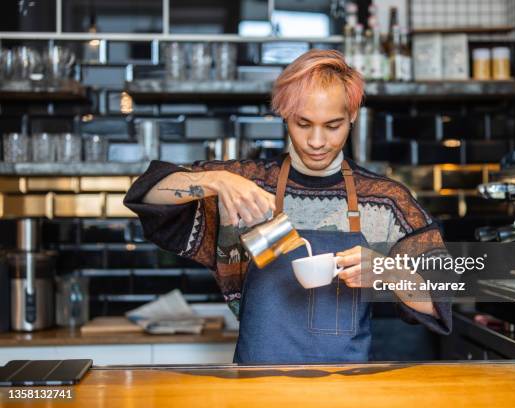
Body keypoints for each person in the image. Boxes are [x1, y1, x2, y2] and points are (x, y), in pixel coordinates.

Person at [124, 49, 451, 364]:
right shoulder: (248, 184)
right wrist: (216, 180)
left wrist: (386, 271)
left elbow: (444, 296)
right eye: (303, 123)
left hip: (347, 389)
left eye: (333, 125)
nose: (317, 141)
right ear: (284, 115)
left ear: (352, 115)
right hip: (258, 387)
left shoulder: (384, 199)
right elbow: (146, 192)